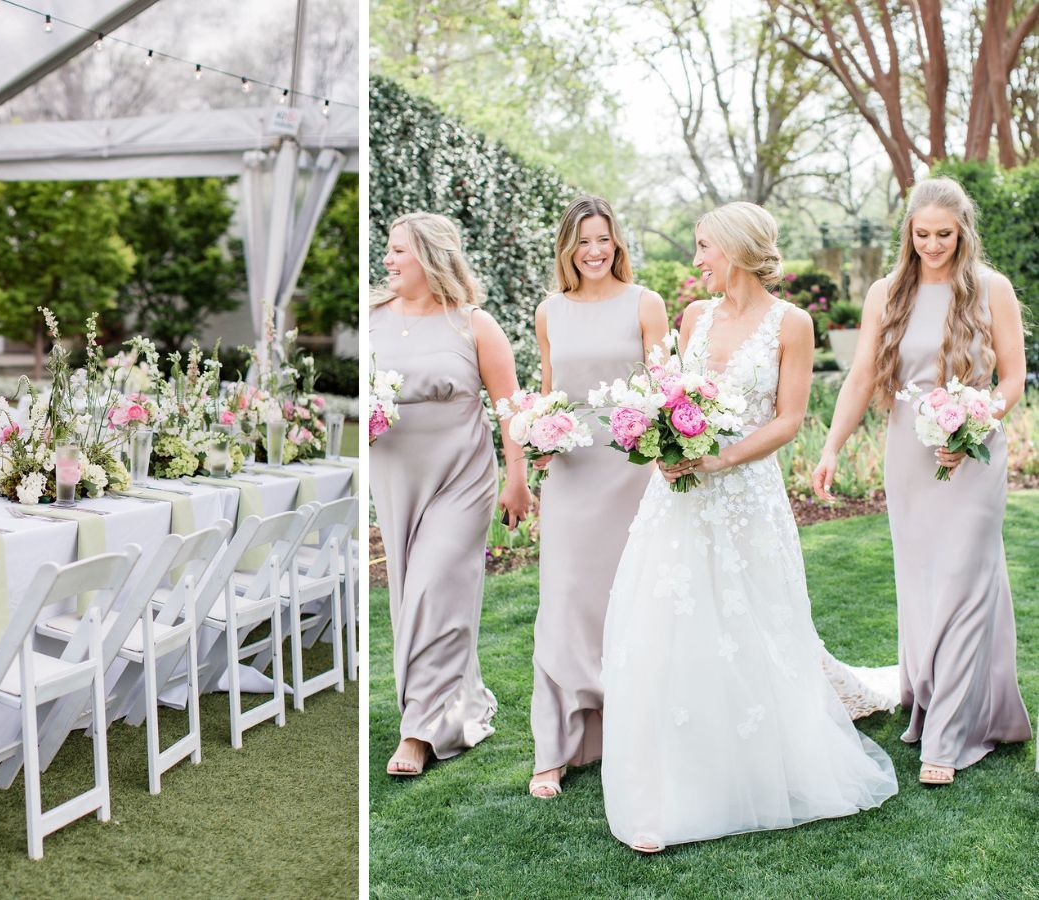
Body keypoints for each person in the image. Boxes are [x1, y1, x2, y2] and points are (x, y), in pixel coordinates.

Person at [600, 201, 898, 852]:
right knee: (671, 620)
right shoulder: (693, 318)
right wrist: (667, 446)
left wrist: (724, 459)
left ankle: (764, 761)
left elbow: (789, 417)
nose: (697, 258)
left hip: (749, 496)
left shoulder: (792, 324)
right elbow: (679, 399)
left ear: (733, 250)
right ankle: (677, 771)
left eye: (704, 246)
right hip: (681, 496)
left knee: (756, 622)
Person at [812, 177, 1031, 785]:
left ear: (963, 231)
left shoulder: (993, 289)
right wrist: (831, 446)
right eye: (922, 234)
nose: (933, 245)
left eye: (945, 234)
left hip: (974, 454)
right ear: (907, 232)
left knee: (965, 579)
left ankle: (950, 737)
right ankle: (932, 695)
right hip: (909, 453)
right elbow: (860, 378)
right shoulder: (889, 291)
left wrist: (976, 422)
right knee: (923, 582)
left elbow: (1011, 377)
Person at [370, 213, 533, 776]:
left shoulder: (474, 325)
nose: (387, 261)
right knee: (410, 595)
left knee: (435, 589)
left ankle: (417, 730)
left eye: (398, 252)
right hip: (394, 478)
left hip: (462, 478)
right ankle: (452, 702)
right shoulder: (369, 320)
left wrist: (518, 477)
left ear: (431, 258)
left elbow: (507, 407)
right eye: (388, 251)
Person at [527, 197, 667, 798]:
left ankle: (633, 729)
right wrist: (535, 440)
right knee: (564, 600)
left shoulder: (646, 303)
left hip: (632, 470)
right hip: (572, 472)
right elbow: (547, 391)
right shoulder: (549, 311)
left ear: (617, 243)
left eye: (603, 239)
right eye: (583, 241)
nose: (594, 251)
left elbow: (666, 388)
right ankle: (554, 748)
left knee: (631, 596)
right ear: (567, 247)